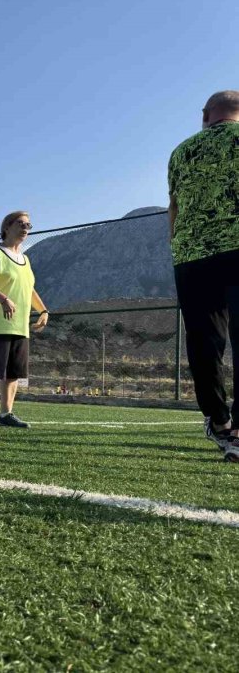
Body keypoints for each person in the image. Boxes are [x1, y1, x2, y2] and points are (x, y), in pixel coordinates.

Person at [169, 90, 239, 463]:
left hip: (194, 257)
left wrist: (177, 249)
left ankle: (220, 420)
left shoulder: (182, 152)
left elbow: (174, 207)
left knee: (204, 342)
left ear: (206, 114)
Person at [0, 211, 49, 428]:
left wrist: (43, 311)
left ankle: (6, 414)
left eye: (28, 225)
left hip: (20, 325)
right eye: (21, 223)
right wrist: (4, 299)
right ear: (7, 227)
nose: (25, 228)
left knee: (13, 372)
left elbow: (29, 289)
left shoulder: (25, 259)